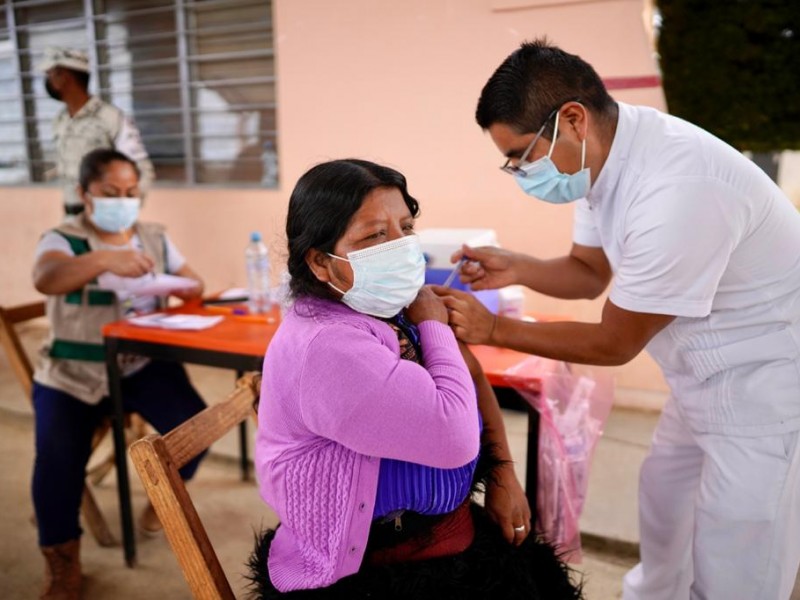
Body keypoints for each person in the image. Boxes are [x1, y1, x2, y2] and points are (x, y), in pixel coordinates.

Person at [435, 39, 800, 600]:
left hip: (767, 387)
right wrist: (517, 268)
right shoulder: (599, 158)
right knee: (664, 510)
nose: (519, 174)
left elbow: (614, 341)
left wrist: (494, 331)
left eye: (521, 157)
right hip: (700, 375)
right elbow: (588, 271)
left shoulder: (680, 189)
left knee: (738, 555)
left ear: (572, 120)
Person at [248, 159, 582, 599]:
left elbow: (470, 374)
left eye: (406, 227)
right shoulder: (327, 346)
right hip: (374, 567)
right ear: (320, 263)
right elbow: (453, 433)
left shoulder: (380, 306)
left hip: (446, 532)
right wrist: (435, 327)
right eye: (375, 235)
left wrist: (502, 475)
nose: (401, 246)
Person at [31, 148, 207, 600]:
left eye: (130, 192)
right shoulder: (63, 238)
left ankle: (160, 497)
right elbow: (46, 277)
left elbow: (193, 282)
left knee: (196, 427)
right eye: (111, 192)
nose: (123, 201)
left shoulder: (153, 237)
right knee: (57, 461)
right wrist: (103, 260)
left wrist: (185, 286)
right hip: (71, 373)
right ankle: (62, 562)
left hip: (139, 366)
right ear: (84, 194)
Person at [38, 47, 155, 217]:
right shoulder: (60, 121)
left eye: (51, 74)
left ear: (65, 76)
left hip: (102, 218)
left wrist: (125, 211)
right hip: (71, 216)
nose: (48, 81)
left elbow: (142, 169)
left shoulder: (110, 118)